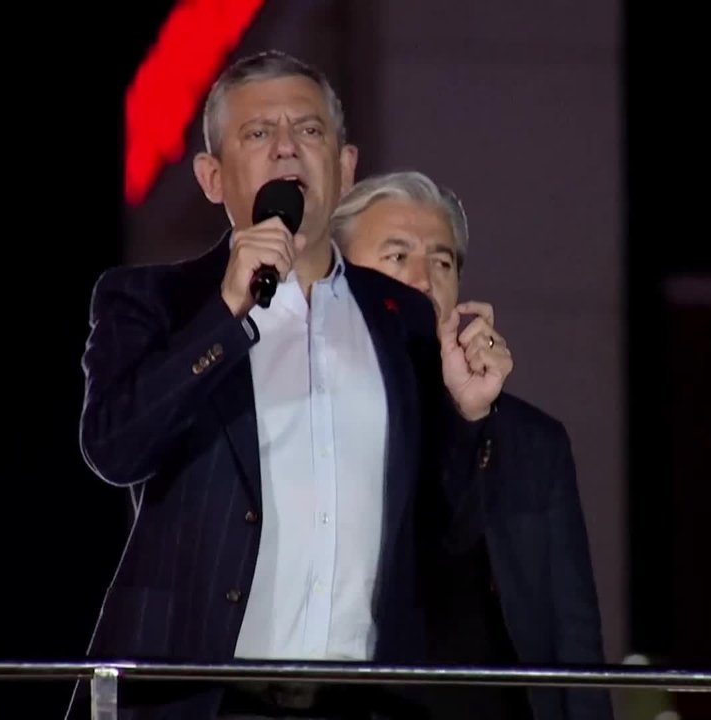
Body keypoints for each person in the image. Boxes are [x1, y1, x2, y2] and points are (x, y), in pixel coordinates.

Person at [70, 53, 509, 720]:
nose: (285, 148)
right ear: (212, 178)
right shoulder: (155, 301)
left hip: (361, 704)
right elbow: (115, 448)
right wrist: (224, 314)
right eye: (258, 133)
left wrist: (468, 418)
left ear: (346, 168)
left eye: (308, 131)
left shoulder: (404, 319)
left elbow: (444, 534)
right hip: (200, 698)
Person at [332, 170, 613, 720]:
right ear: (336, 275)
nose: (422, 280)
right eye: (397, 256)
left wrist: (470, 419)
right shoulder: (303, 418)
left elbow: (574, 641)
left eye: (442, 263)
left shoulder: (532, 443)